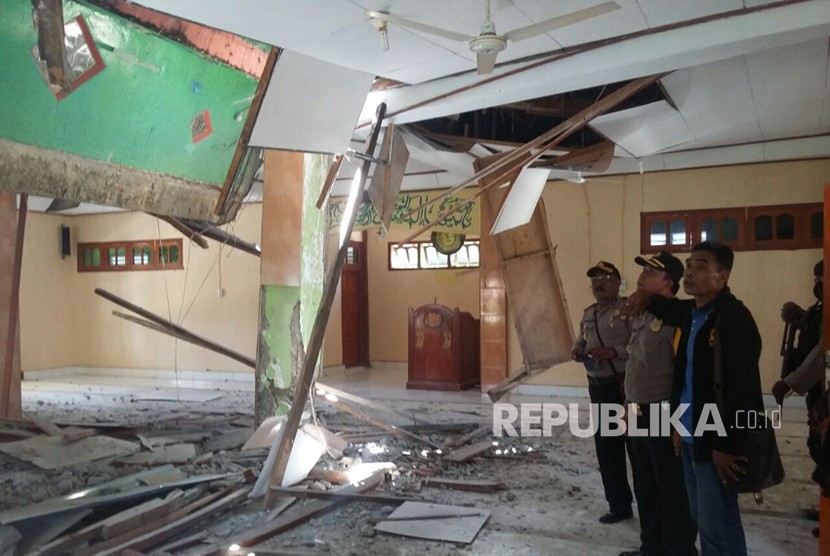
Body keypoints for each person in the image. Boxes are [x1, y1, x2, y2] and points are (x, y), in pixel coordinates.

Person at [620, 241, 763, 556]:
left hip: (713, 439)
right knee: (702, 515)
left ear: (722, 276)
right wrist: (677, 426)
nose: (691, 272)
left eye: (701, 266)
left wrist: (726, 445)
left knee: (715, 522)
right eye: (689, 265)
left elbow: (743, 388)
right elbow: (684, 382)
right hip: (686, 433)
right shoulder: (693, 314)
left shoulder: (732, 317)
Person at [619, 251, 697, 556]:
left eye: (651, 273)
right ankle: (651, 547)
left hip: (664, 413)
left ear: (669, 282)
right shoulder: (642, 313)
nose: (642, 277)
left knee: (672, 488)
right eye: (643, 272)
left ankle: (679, 550)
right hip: (637, 411)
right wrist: (627, 405)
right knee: (645, 483)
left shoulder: (679, 316)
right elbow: (637, 367)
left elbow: (683, 374)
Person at [570, 261, 633, 524]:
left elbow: (639, 347)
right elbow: (582, 340)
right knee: (608, 449)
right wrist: (577, 349)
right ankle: (618, 505)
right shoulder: (589, 314)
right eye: (595, 279)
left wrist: (613, 352)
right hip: (599, 387)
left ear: (618, 283)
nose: (600, 283)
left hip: (625, 387)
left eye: (606, 277)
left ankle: (654, 504)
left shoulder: (629, 311)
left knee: (638, 449)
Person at [772, 260, 824, 463]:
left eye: (822, 279)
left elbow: (823, 352)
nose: (818, 284)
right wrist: (801, 317)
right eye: (817, 279)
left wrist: (789, 383)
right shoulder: (822, 310)